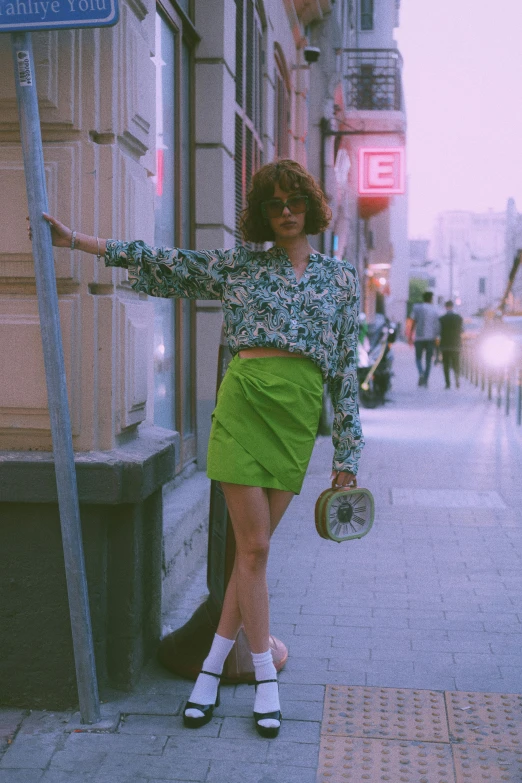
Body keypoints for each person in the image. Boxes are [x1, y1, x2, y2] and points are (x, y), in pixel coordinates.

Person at [39, 159, 364, 740]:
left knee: (250, 557)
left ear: (310, 207)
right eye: (273, 204)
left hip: (295, 419)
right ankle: (266, 681)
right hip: (243, 406)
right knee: (256, 545)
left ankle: (210, 673)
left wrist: (347, 456)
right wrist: (81, 242)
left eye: (293, 202)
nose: (285, 212)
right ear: (264, 214)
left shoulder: (340, 280)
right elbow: (167, 265)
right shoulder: (241, 266)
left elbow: (343, 373)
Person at [407, 291, 440, 387]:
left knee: (418, 358)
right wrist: (437, 337)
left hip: (419, 338)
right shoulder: (435, 310)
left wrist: (410, 336)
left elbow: (413, 322)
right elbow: (437, 325)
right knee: (428, 360)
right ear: (431, 299)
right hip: (431, 338)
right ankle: (425, 380)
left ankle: (421, 373)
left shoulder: (417, 308)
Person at [439, 300, 463, 389]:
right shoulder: (458, 318)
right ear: (453, 306)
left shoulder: (442, 319)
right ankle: (457, 379)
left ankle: (447, 383)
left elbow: (439, 331)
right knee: (456, 363)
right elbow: (461, 330)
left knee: (446, 364)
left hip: (445, 344)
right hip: (456, 344)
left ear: (446, 307)